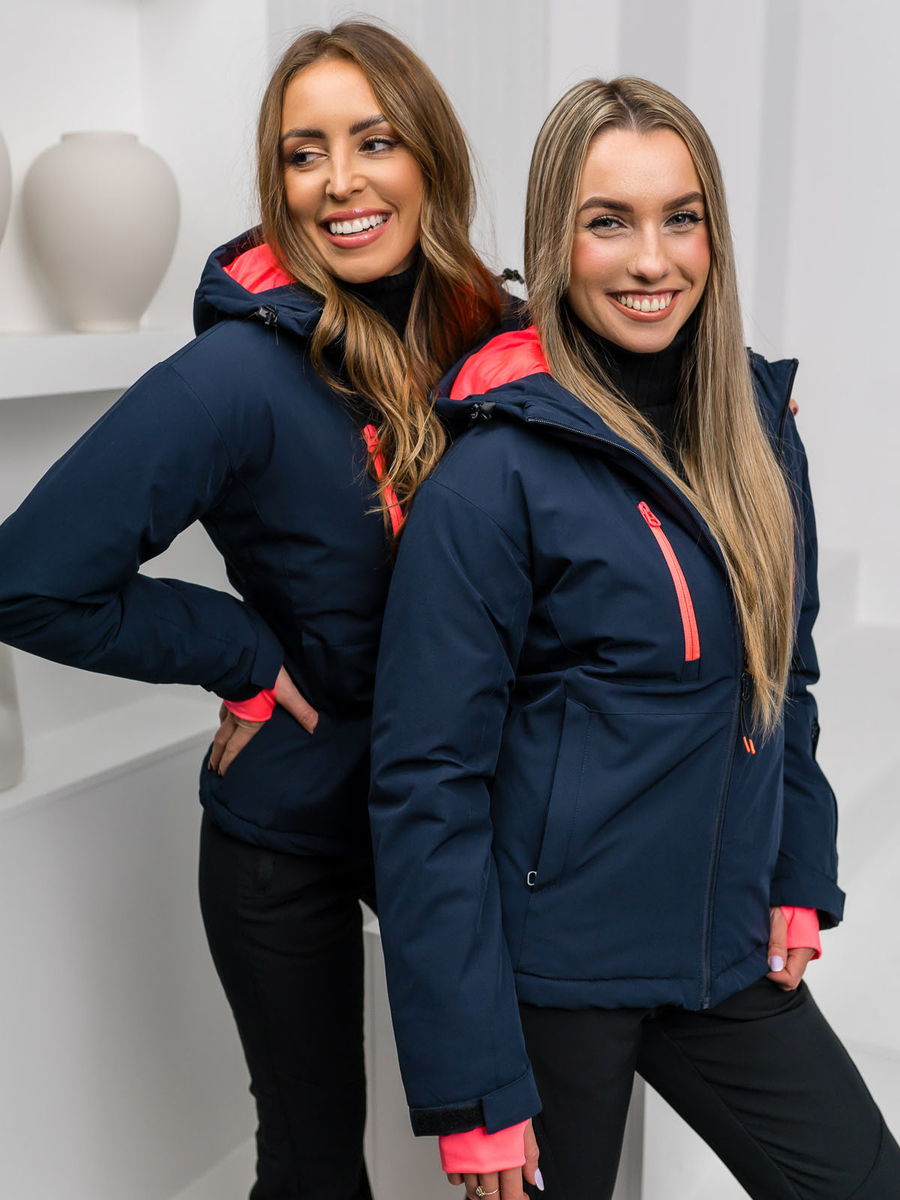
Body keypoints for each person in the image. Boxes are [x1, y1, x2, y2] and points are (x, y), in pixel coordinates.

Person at [368, 76, 900, 1200]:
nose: (652, 259)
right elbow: (427, 786)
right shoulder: (493, 476)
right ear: (556, 243)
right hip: (555, 979)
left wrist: (796, 870)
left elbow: (786, 675)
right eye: (609, 221)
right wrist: (475, 1087)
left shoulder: (757, 431)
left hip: (721, 948)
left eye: (680, 217)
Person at [0, 21, 507, 1200]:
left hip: (465, 814)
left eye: (373, 140)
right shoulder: (231, 379)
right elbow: (27, 575)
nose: (340, 180)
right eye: (303, 153)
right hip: (292, 837)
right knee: (315, 1168)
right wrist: (237, 650)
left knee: (538, 1126)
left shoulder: (489, 337)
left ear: (430, 156)